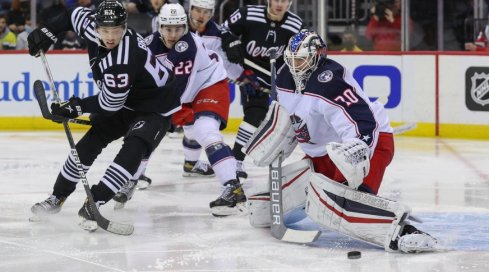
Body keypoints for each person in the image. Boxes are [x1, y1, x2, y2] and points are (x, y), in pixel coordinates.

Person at [245, 29, 439, 253]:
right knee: (262, 207)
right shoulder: (283, 77)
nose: (295, 66)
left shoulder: (329, 81)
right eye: (292, 60)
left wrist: (356, 152)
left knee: (338, 206)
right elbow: (286, 117)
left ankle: (404, 233)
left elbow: (364, 123)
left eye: (301, 60)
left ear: (317, 56)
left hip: (369, 143)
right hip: (320, 154)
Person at [28, 0, 181, 232]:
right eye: (105, 30)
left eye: (117, 31)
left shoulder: (123, 59)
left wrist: (75, 107)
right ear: (96, 27)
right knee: (89, 143)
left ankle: (95, 201)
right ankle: (57, 197)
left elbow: (110, 104)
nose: (110, 37)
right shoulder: (91, 25)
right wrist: (47, 31)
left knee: (134, 147)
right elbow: (72, 14)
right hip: (126, 100)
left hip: (155, 106)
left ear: (125, 27)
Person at [143, 3, 245, 216]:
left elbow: (182, 89)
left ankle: (232, 186)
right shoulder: (148, 44)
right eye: (168, 29)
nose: (173, 35)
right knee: (157, 128)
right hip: (186, 91)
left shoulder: (188, 45)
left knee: (205, 129)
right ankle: (135, 176)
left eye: (178, 29)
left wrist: (163, 113)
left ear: (185, 27)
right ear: (159, 26)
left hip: (209, 85)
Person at [221, 0, 304, 179]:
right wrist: (231, 43)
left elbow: (303, 52)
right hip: (249, 75)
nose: (280, 4)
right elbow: (223, 30)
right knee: (255, 114)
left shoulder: (295, 25)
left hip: (277, 79)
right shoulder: (248, 14)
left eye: (285, 0)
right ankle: (236, 160)